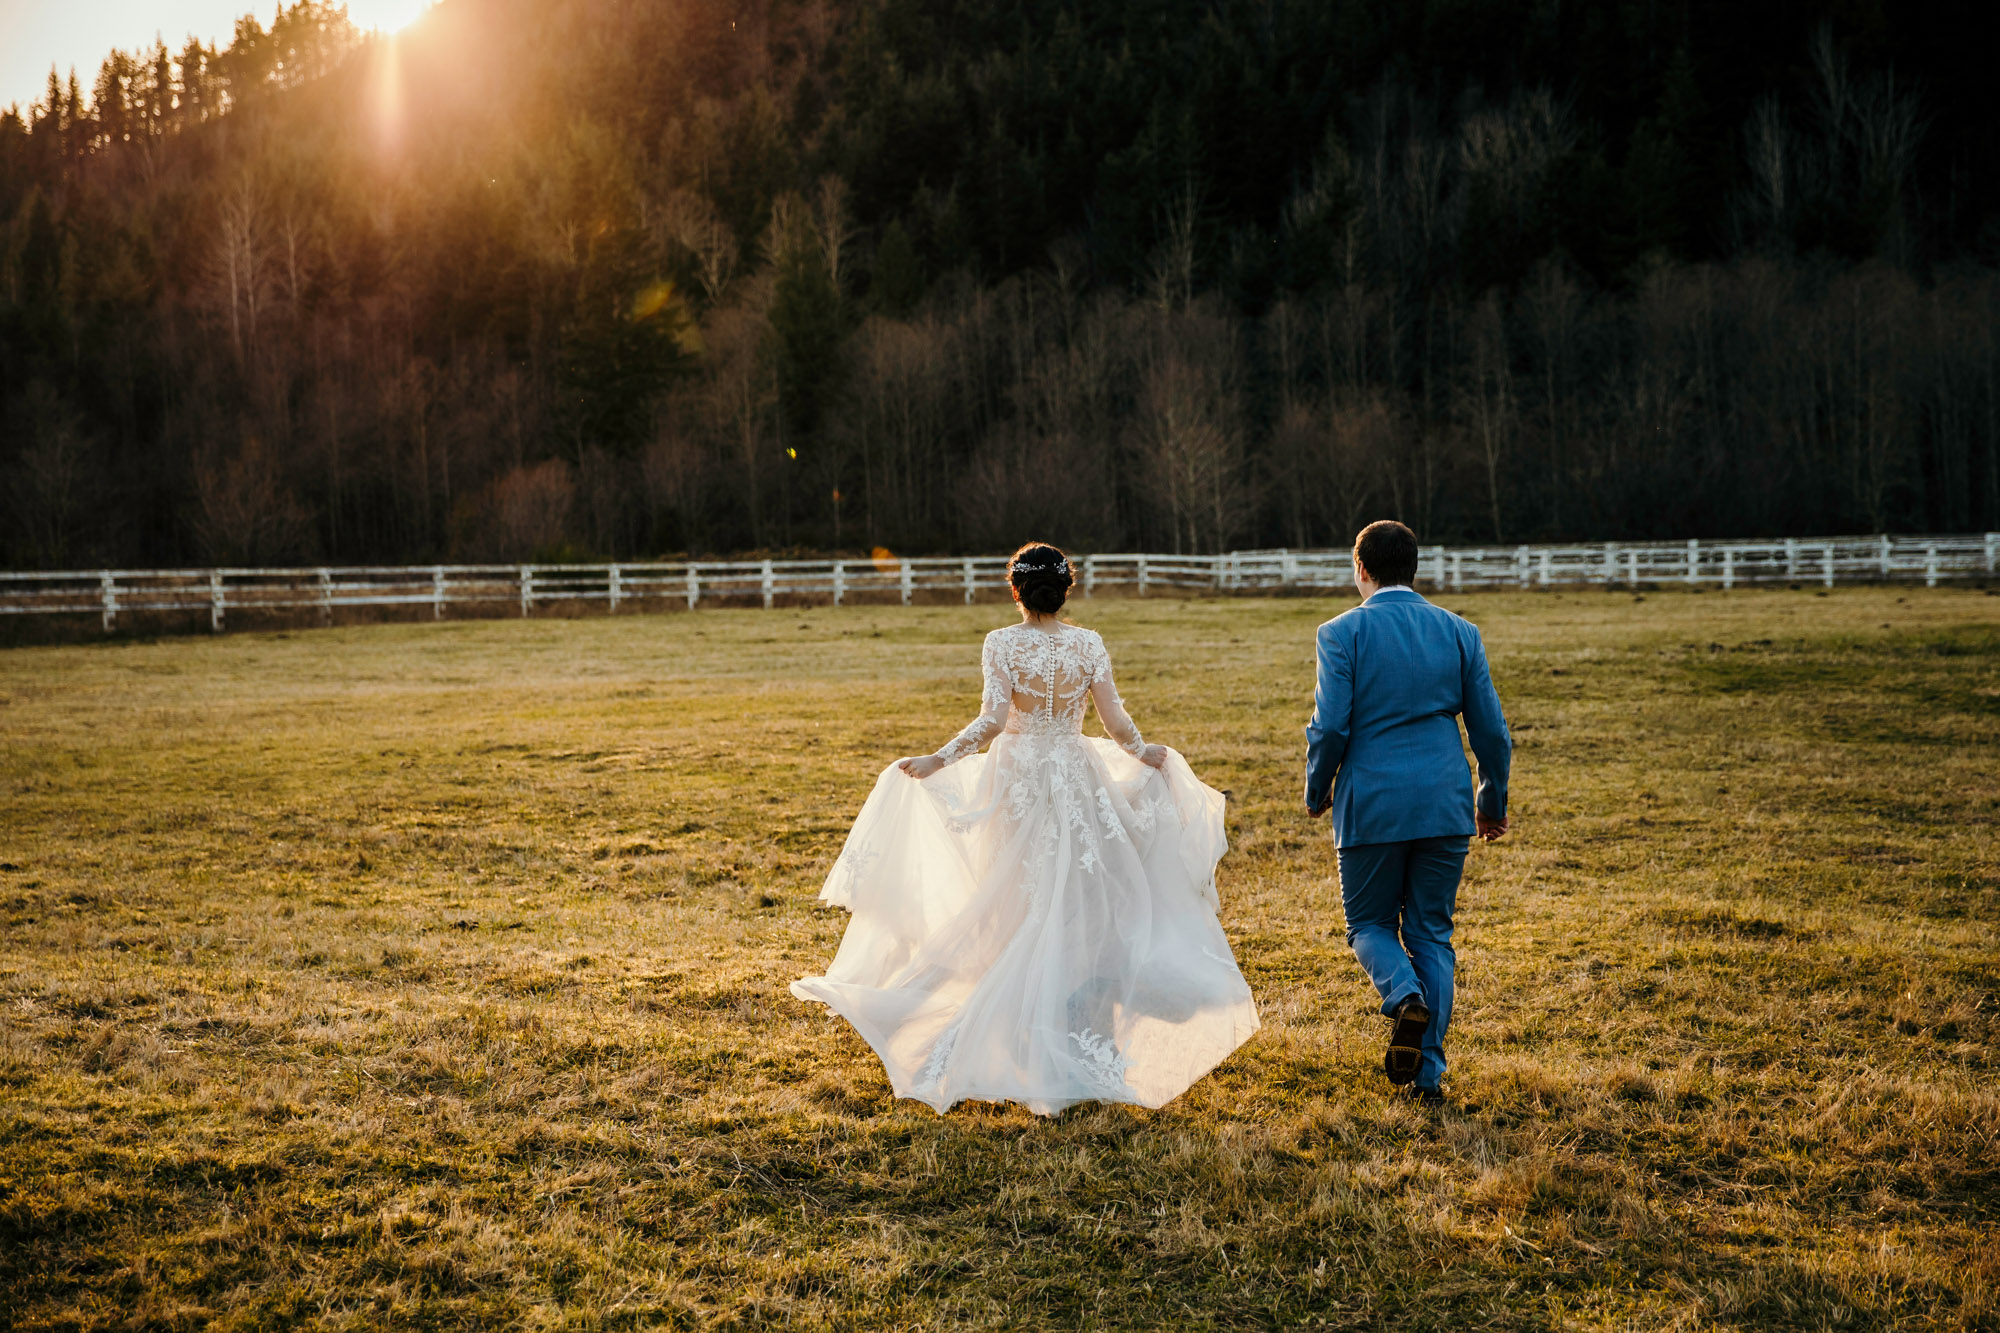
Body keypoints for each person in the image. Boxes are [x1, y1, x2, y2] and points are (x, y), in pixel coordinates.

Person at [792, 542, 1260, 1115]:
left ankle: (1024, 1038)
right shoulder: (1088, 643)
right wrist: (1144, 753)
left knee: (1019, 901)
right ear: (1067, 589)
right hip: (1077, 775)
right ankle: (1080, 1034)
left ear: (1015, 590)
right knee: (1076, 902)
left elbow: (992, 720)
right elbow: (1115, 722)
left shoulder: (1002, 644)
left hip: (1017, 780)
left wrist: (939, 759)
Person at [1305, 520, 1511, 1109]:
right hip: (1445, 804)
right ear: (1413, 569)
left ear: (1361, 571)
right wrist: (1489, 799)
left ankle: (1402, 997)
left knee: (1368, 925)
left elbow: (1331, 727)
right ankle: (1428, 1078)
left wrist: (1317, 789)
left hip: (1371, 803)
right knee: (1431, 933)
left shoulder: (1340, 633)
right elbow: (1491, 731)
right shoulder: (1460, 632)